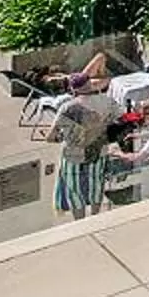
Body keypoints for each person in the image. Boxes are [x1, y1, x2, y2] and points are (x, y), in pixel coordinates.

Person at [49, 79, 113, 218]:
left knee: (74, 190)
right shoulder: (107, 101)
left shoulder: (66, 107)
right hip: (98, 151)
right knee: (96, 184)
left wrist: (59, 137)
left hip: (73, 154)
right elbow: (119, 121)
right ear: (90, 85)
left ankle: (80, 221)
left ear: (73, 90)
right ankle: (95, 216)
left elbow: (51, 135)